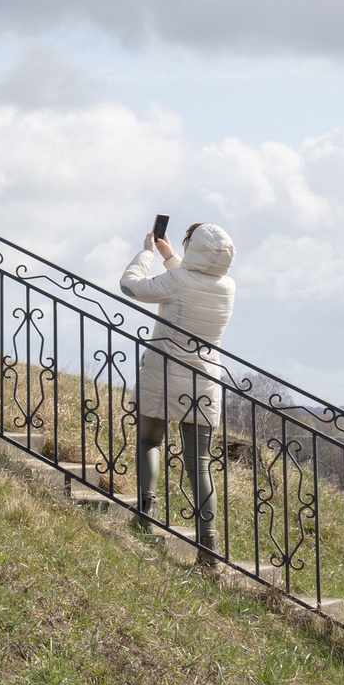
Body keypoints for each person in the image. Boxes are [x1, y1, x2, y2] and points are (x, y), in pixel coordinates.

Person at [117, 220, 236, 561]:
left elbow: (131, 286)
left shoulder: (178, 280)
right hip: (204, 380)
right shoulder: (227, 286)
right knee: (199, 464)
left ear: (194, 249)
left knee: (149, 441)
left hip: (164, 374)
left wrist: (147, 253)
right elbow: (190, 283)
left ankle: (145, 512)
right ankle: (208, 544)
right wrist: (171, 257)